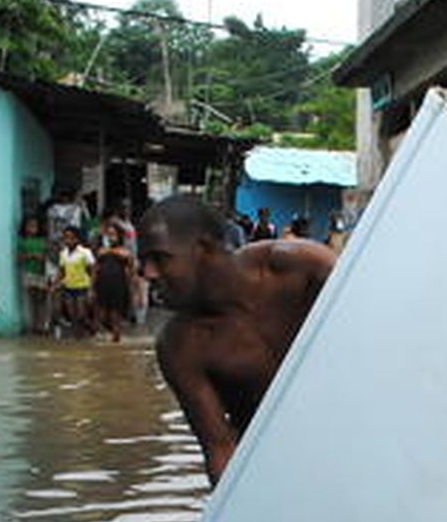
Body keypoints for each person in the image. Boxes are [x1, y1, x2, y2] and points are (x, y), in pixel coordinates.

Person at [138, 195, 336, 485]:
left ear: (204, 249)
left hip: (354, 436)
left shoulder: (301, 267)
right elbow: (220, 447)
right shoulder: (180, 346)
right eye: (144, 261)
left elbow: (381, 332)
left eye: (160, 258)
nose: (147, 273)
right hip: (275, 469)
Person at [93, 227, 134, 343]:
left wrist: (132, 289)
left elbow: (130, 263)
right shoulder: (101, 251)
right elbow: (95, 269)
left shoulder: (124, 250)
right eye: (108, 234)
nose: (110, 237)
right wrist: (92, 288)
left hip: (119, 285)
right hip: (102, 285)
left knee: (116, 315)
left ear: (118, 236)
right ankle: (110, 336)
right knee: (101, 316)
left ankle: (116, 340)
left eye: (113, 234)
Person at [54, 227, 96, 337]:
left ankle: (90, 328)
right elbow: (61, 271)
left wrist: (92, 288)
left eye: (71, 238)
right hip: (68, 286)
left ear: (77, 239)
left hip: (82, 287)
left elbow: (92, 270)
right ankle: (77, 337)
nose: (68, 240)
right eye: (66, 238)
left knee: (81, 314)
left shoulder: (85, 252)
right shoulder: (63, 253)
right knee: (72, 315)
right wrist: (55, 284)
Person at [17, 215, 49, 335]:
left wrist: (41, 257)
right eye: (29, 226)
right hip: (29, 272)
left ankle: (42, 325)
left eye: (34, 226)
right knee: (32, 300)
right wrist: (30, 256)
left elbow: (48, 256)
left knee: (42, 299)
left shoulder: (43, 240)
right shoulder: (22, 241)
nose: (32, 228)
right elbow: (19, 259)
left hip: (41, 272)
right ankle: (34, 325)